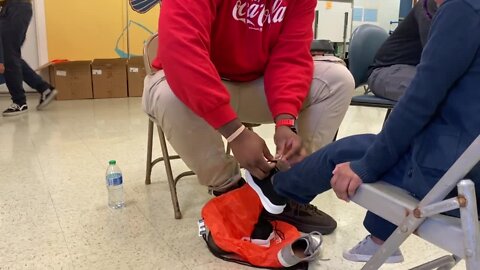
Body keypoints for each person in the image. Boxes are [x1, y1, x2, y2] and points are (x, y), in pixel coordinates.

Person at [245, 0, 480, 263]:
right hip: (466, 164)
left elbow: (418, 103)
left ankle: (276, 190)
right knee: (386, 145)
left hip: (457, 180)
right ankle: (380, 236)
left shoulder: (463, 9)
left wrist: (365, 166)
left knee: (346, 153)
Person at [142, 0, 355, 234]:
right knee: (168, 95)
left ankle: (287, 189)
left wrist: (286, 122)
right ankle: (232, 194)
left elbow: (291, 55)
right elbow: (181, 51)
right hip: (203, 80)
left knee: (337, 80)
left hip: (257, 82)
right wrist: (236, 133)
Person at [368, 0, 438, 101]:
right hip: (386, 71)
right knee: (435, 90)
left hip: (413, 69)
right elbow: (435, 56)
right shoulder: (428, 6)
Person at [0, 0, 57, 117]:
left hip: (14, 7)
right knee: (12, 55)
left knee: (9, 56)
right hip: (14, 8)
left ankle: (19, 102)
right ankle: (44, 89)